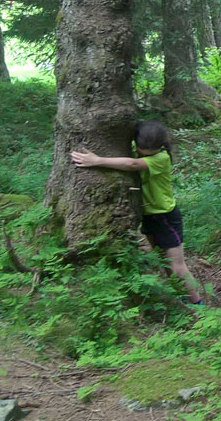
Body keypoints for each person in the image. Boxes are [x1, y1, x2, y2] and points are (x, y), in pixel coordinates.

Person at [70, 120, 204, 305]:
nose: (144, 153)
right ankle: (181, 296)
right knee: (163, 261)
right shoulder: (144, 149)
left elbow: (133, 164)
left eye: (149, 151)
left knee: (176, 265)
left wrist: (98, 160)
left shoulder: (161, 157)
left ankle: (197, 303)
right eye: (142, 149)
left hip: (164, 216)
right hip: (150, 215)